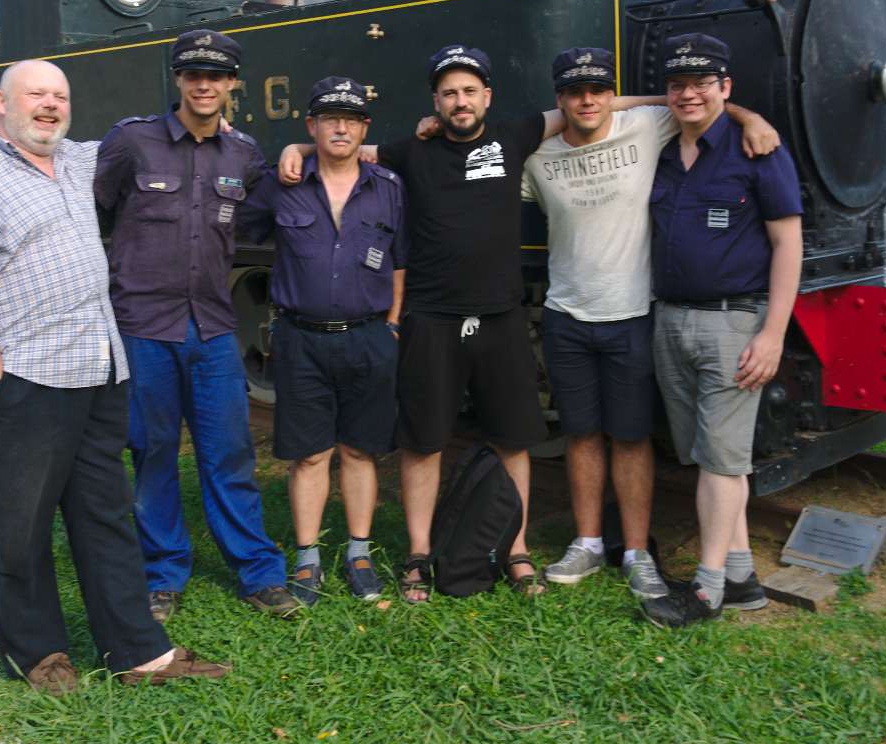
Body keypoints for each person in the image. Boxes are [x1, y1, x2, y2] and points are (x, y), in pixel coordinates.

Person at [281, 45, 665, 600]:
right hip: (432, 317)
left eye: (468, 91)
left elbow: (596, 104)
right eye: (449, 93)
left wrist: (664, 97)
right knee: (424, 442)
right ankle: (418, 554)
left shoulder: (516, 133)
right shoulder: (410, 150)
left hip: (501, 316)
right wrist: (296, 143)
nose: (460, 102)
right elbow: (344, 147)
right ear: (435, 103)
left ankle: (516, 550)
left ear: (487, 96)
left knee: (512, 440)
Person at [0, 59, 230, 691]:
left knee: (105, 516)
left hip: (97, 369)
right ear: (1, 103)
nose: (50, 105)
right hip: (24, 377)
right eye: (36, 94)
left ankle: (138, 651)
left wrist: (300, 144)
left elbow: (159, 132)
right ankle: (38, 655)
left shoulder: (81, 162)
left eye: (59, 96)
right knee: (22, 525)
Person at [522, 47, 778, 605]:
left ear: (612, 94)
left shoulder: (644, 125)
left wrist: (752, 116)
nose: (587, 101)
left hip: (636, 313)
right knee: (582, 434)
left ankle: (637, 552)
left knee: (632, 437)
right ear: (559, 98)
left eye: (598, 90)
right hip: (566, 314)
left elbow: (693, 104)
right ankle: (588, 541)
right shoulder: (536, 155)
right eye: (573, 92)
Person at [92, 30, 299, 623]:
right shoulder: (132, 142)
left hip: (211, 328)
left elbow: (273, 202)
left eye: (216, 76)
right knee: (153, 453)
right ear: (179, 81)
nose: (204, 85)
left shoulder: (243, 155)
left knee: (228, 453)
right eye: (192, 75)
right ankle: (163, 575)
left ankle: (258, 573)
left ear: (233, 84)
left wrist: (308, 152)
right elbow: (94, 210)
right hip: (145, 326)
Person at [638, 33, 803, 629]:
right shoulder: (659, 147)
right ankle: (740, 576)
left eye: (703, 84)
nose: (688, 95)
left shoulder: (758, 152)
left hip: (736, 322)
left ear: (725, 86)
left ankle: (705, 592)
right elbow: (624, 106)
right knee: (707, 456)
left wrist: (774, 334)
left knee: (723, 462)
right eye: (677, 85)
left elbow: (788, 243)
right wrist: (736, 106)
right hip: (671, 319)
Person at [238, 77, 406, 605]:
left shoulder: (388, 188)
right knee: (309, 456)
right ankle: (307, 559)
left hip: (368, 337)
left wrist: (394, 325)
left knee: (360, 451)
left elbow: (400, 262)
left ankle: (359, 553)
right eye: (329, 118)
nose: (341, 126)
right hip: (301, 339)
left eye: (351, 118)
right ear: (311, 126)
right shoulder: (281, 183)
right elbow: (235, 223)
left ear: (364, 129)